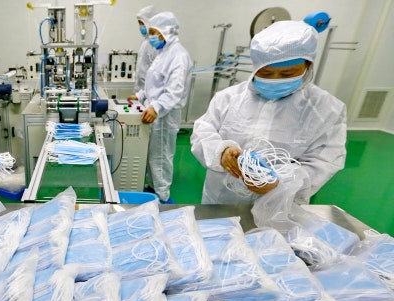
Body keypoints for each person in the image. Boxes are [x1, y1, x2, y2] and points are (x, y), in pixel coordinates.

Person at [190, 20, 347, 205]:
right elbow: (203, 132)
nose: (275, 79)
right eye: (265, 72)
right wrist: (221, 152)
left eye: (287, 74)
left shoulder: (327, 110)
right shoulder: (228, 98)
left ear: (308, 66)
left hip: (280, 208)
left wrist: (280, 183)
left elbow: (324, 162)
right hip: (222, 201)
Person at [127, 12, 193, 204]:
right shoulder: (163, 54)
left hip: (165, 116)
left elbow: (174, 90)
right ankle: (152, 187)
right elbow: (154, 83)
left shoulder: (178, 56)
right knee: (150, 153)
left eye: (154, 32)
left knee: (162, 155)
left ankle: (162, 196)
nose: (151, 37)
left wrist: (156, 107)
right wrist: (139, 96)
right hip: (154, 111)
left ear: (167, 32)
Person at [133, 5, 158, 93]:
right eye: (139, 23)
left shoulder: (155, 44)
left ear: (148, 22)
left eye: (141, 23)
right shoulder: (145, 42)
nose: (140, 26)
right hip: (140, 90)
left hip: (149, 92)